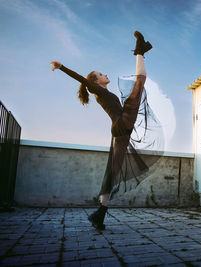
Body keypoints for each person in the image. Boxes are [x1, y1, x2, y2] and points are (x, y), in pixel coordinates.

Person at [51, 31, 153, 230]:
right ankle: (140, 50)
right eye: (101, 74)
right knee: (140, 82)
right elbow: (80, 78)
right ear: (96, 81)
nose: (105, 74)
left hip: (121, 127)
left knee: (112, 172)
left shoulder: (105, 92)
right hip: (122, 124)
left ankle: (100, 214)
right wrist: (61, 67)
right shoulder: (97, 91)